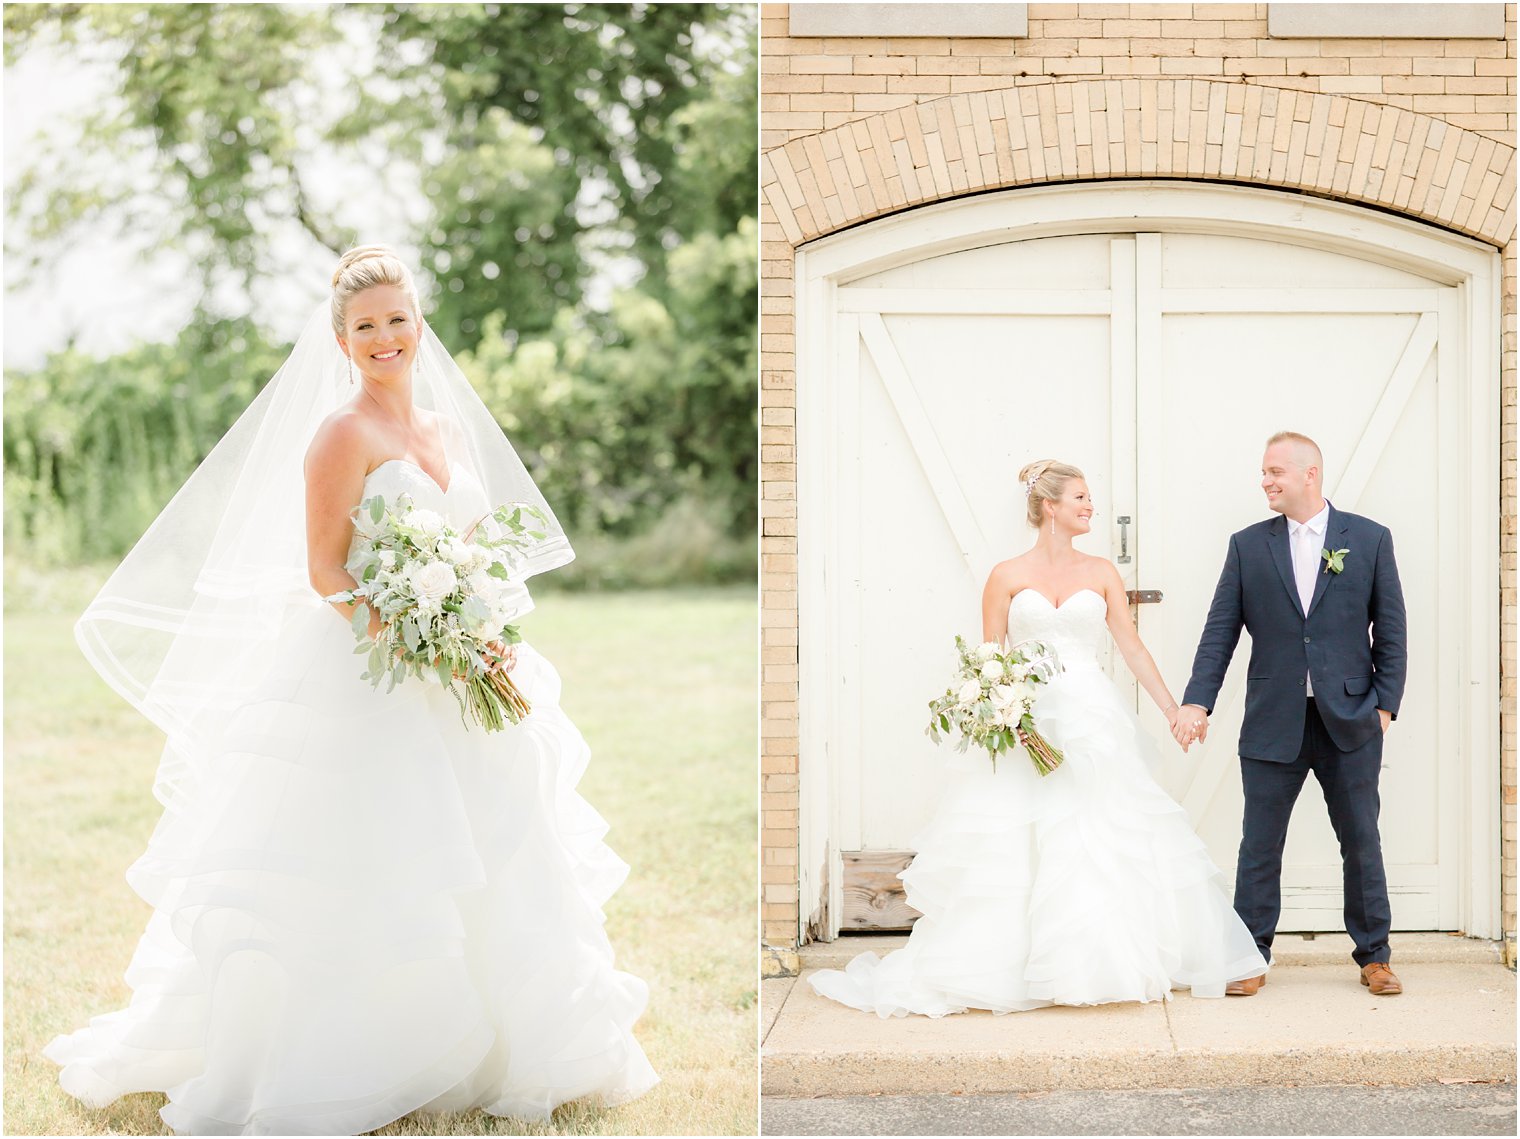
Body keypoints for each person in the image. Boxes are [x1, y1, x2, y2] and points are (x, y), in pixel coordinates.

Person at [44, 246, 659, 1133]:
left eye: (397, 319)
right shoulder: (339, 436)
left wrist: (477, 632)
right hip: (375, 679)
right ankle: (367, 1052)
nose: (385, 337)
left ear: (420, 324)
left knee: (505, 846)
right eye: (364, 326)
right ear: (341, 340)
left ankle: (510, 1048)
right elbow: (327, 572)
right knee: (384, 862)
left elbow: (479, 548)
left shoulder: (446, 432)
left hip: (469, 673)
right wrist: (416, 636)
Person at [808, 460, 1266, 1018]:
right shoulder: (1005, 575)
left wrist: (1173, 709)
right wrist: (1009, 718)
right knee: (1019, 842)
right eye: (1081, 497)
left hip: (1092, 720)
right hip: (1027, 721)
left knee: (1099, 834)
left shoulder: (1101, 572)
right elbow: (989, 660)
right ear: (1049, 506)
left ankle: (1098, 962)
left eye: (1089, 498)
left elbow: (1130, 647)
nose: (1090, 506)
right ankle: (1013, 964)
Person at [1174, 431, 1407, 997]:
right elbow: (1219, 633)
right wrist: (1196, 700)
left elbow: (1392, 629)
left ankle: (1374, 955)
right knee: (1259, 843)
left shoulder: (1370, 539)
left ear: (1310, 474)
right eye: (1263, 472)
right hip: (1273, 718)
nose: (1266, 481)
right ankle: (1249, 956)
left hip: (1350, 719)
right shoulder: (1248, 546)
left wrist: (1385, 708)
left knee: (1360, 840)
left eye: (1275, 471)